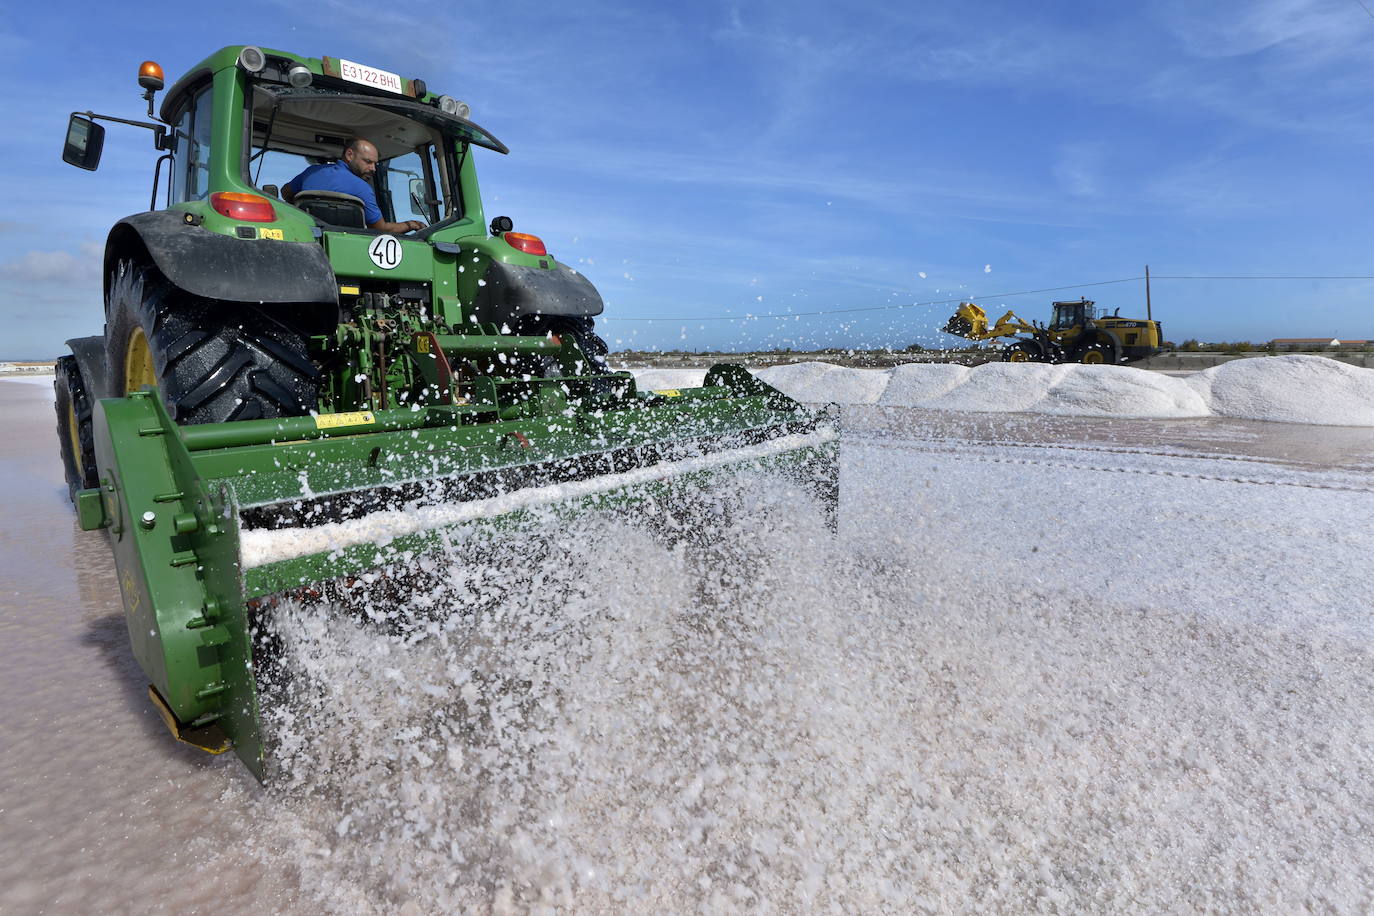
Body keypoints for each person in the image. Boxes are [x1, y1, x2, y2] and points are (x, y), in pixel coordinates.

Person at [282, 137, 424, 234]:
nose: (373, 169)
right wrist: (411, 224)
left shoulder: (311, 172)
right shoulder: (362, 188)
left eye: (375, 164)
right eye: (368, 162)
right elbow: (380, 229)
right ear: (350, 155)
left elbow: (285, 192)